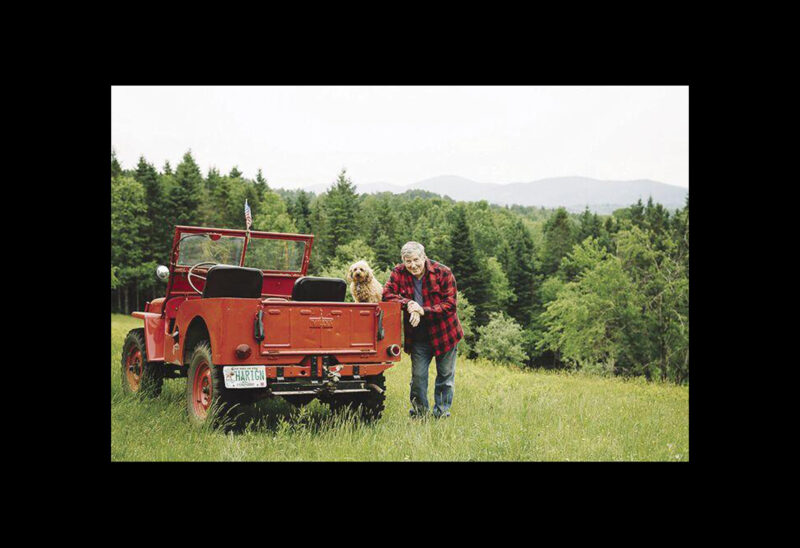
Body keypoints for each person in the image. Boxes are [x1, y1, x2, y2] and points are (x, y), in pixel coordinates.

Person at [382, 242, 463, 418]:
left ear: (424, 256)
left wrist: (422, 310)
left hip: (445, 334)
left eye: (416, 260)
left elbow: (450, 305)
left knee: (445, 377)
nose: (413, 265)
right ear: (403, 261)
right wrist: (409, 304)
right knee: (418, 379)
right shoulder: (398, 272)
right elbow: (387, 295)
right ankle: (419, 415)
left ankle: (441, 414)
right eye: (408, 261)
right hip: (418, 336)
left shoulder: (443, 272)